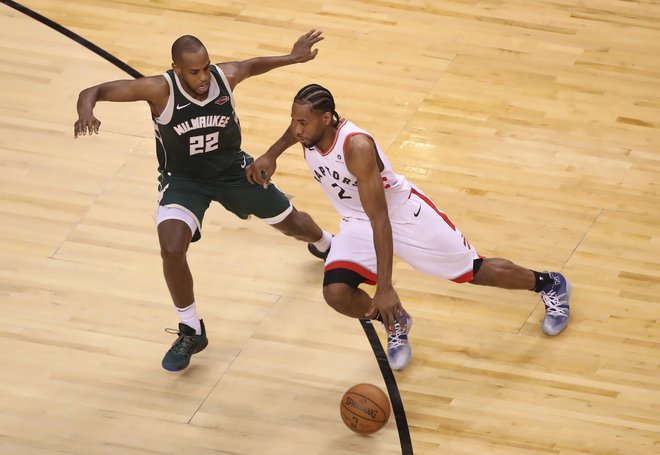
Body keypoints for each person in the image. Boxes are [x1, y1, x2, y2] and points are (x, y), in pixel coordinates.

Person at [246, 83, 571, 371]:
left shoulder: (356, 148)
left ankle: (548, 284)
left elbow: (381, 219)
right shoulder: (310, 132)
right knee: (336, 292)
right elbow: (294, 134)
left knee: (475, 271)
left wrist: (385, 287)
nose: (296, 129)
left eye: (302, 122)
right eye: (294, 120)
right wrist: (271, 155)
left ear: (327, 118)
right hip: (358, 222)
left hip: (403, 215)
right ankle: (395, 323)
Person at [74, 32, 333, 372]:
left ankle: (326, 244)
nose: (203, 77)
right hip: (184, 182)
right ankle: (191, 329)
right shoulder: (158, 90)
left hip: (233, 171)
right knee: (170, 246)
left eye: (206, 68)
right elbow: (92, 91)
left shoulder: (224, 78)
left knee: (294, 225)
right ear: (176, 69)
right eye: (194, 71)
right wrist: (86, 112)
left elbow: (251, 65)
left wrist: (292, 58)